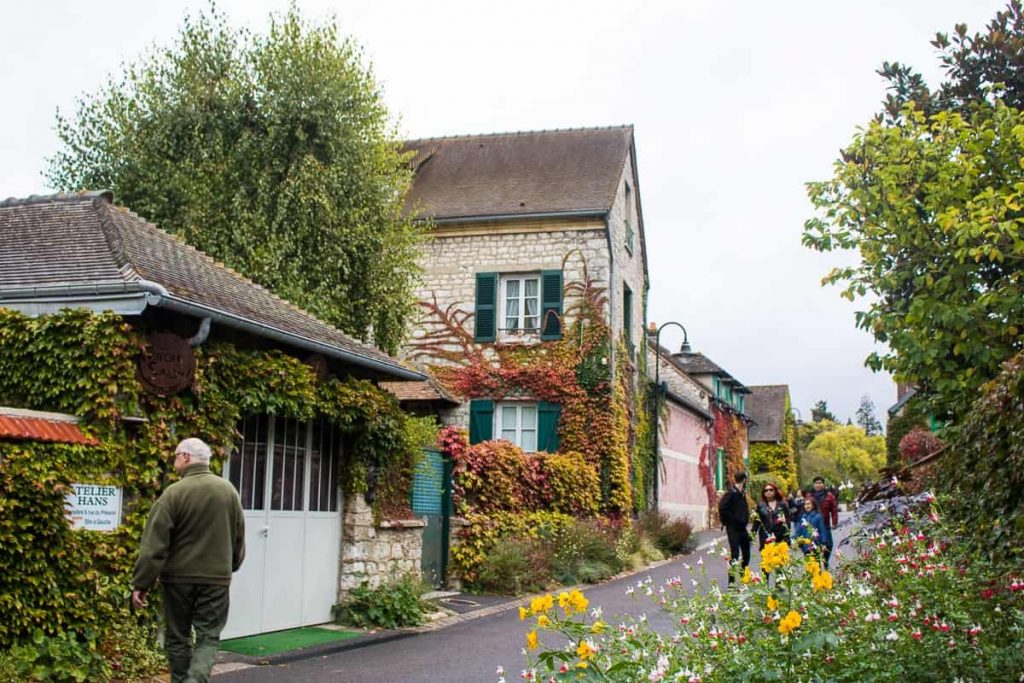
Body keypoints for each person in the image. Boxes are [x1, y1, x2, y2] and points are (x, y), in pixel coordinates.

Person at [132, 438, 246, 683]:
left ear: (185, 457)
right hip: (216, 579)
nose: (174, 462)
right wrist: (230, 566)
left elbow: (154, 546)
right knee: (208, 636)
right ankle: (196, 679)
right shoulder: (228, 491)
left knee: (178, 637)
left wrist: (142, 583)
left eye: (175, 456)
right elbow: (238, 536)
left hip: (178, 580)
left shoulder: (173, 494)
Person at [718, 471, 751, 584]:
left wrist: (745, 519)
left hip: (742, 528)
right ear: (744, 480)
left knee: (746, 554)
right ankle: (731, 582)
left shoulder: (741, 493)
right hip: (733, 528)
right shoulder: (731, 493)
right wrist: (729, 521)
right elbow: (722, 508)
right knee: (735, 554)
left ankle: (742, 577)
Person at [795, 496, 833, 566]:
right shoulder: (803, 517)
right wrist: (795, 538)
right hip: (805, 545)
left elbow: (822, 530)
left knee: (816, 564)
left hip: (815, 545)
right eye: (805, 504)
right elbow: (798, 530)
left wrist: (824, 543)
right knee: (808, 564)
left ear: (813, 505)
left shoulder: (818, 516)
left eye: (809, 504)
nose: (807, 506)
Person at [753, 483, 790, 549]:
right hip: (766, 536)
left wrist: (787, 535)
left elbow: (787, 520)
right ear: (763, 493)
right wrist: (752, 535)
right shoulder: (760, 506)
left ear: (775, 491)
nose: (768, 492)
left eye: (771, 490)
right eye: (766, 490)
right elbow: (757, 521)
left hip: (780, 535)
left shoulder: (782, 504)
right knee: (768, 557)